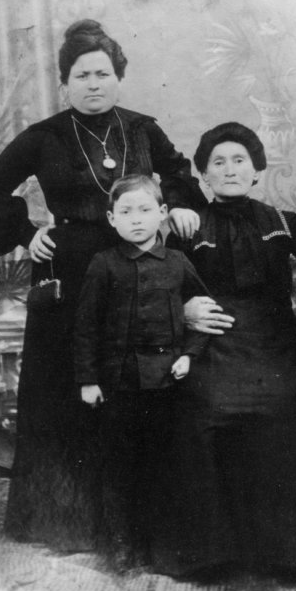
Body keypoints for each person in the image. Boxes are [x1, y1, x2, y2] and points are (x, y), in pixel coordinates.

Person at [0, 19, 210, 552]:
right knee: (68, 387)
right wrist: (26, 233)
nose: (93, 84)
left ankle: (135, 520)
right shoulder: (45, 136)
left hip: (138, 268)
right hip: (70, 269)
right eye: (81, 75)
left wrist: (183, 207)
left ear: (118, 78)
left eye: (103, 73)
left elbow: (179, 176)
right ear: (65, 84)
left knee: (131, 388)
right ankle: (69, 524)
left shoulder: (142, 129)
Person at [158, 122, 296, 579]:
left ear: (257, 169)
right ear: (204, 175)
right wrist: (185, 311)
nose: (229, 169)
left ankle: (292, 553)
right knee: (203, 404)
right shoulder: (189, 225)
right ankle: (211, 555)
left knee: (289, 404)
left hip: (275, 340)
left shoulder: (283, 221)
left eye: (239, 160)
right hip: (212, 342)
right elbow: (157, 284)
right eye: (218, 162)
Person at [74, 174, 209, 569]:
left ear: (163, 213)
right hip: (119, 383)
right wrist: (88, 380)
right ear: (111, 219)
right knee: (120, 464)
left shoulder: (178, 263)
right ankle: (121, 544)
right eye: (126, 211)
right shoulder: (103, 264)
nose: (136, 219)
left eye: (145, 209)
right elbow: (86, 326)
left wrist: (190, 355)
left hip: (167, 382)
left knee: (162, 463)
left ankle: (161, 546)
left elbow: (204, 313)